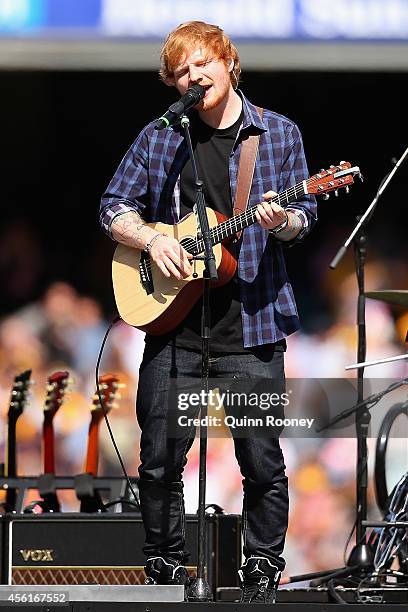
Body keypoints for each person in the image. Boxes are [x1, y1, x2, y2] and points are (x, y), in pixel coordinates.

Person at [100, 20, 317, 604]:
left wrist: (284, 220)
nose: (193, 77)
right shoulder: (162, 135)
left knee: (262, 461)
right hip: (175, 328)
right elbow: (113, 205)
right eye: (180, 72)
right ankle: (164, 566)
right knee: (160, 459)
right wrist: (151, 240)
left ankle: (261, 569)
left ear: (229, 62)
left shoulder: (276, 134)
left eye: (202, 63)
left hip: (252, 326)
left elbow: (305, 220)